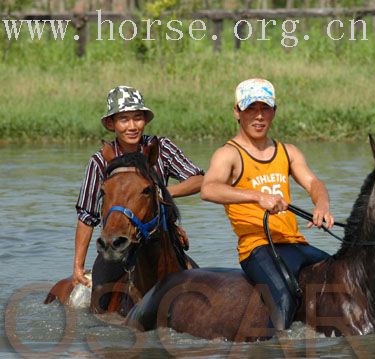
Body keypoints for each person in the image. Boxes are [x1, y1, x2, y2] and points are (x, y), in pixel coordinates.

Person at [200, 78, 334, 332]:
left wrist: (322, 205)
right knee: (284, 298)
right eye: (251, 109)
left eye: (265, 109)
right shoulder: (228, 154)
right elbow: (209, 189)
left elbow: (314, 182)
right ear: (237, 112)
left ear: (274, 112)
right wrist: (256, 196)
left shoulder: (288, 152)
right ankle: (273, 349)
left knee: (342, 276)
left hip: (295, 243)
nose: (259, 116)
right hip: (258, 248)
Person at [72, 85, 204, 289]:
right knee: (101, 298)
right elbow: (86, 217)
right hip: (118, 242)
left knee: (197, 283)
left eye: (137, 118)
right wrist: (77, 268)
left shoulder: (162, 148)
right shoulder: (99, 162)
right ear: (111, 123)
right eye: (124, 119)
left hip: (161, 240)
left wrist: (162, 193)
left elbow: (199, 180)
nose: (132, 126)